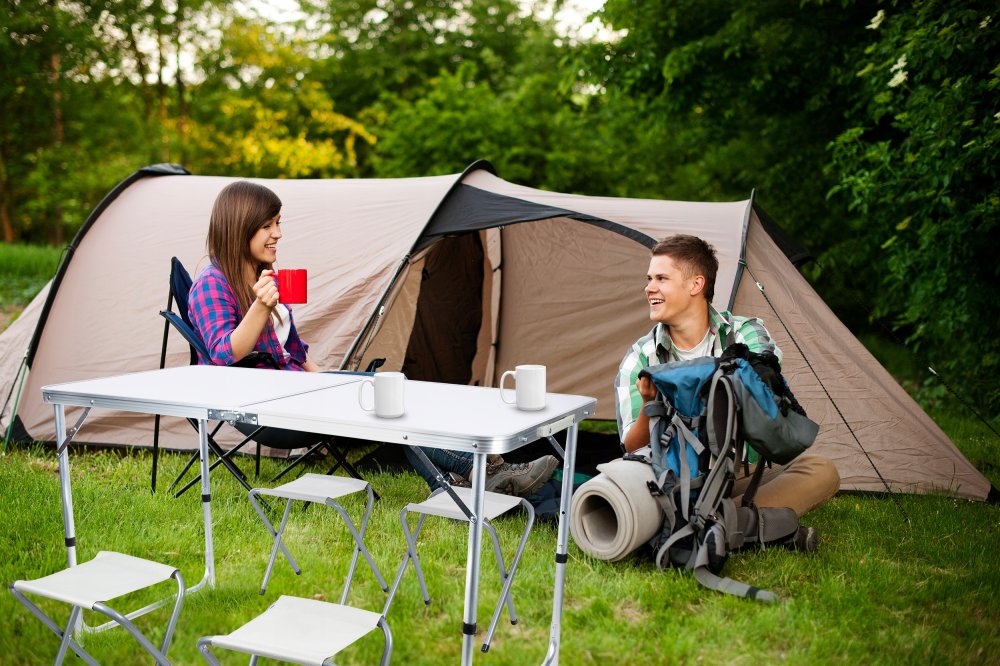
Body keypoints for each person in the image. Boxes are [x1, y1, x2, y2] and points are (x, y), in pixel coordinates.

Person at [188, 180, 557, 497]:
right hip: (260, 408)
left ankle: (457, 482)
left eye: (278, 223)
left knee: (393, 390)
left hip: (297, 392)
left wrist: (326, 378)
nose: (278, 234)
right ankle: (485, 473)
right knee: (388, 394)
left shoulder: (263, 275)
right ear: (239, 227)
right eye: (267, 225)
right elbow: (223, 358)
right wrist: (260, 307)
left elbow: (294, 350)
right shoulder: (212, 284)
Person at [614, 234, 839, 521]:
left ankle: (713, 521)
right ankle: (740, 520)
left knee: (821, 470)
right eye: (649, 279)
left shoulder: (745, 333)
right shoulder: (640, 359)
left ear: (696, 284)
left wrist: (680, 383)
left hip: (739, 473)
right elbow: (632, 446)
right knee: (625, 485)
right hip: (677, 478)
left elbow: (761, 381)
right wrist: (650, 404)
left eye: (661, 278)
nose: (649, 288)